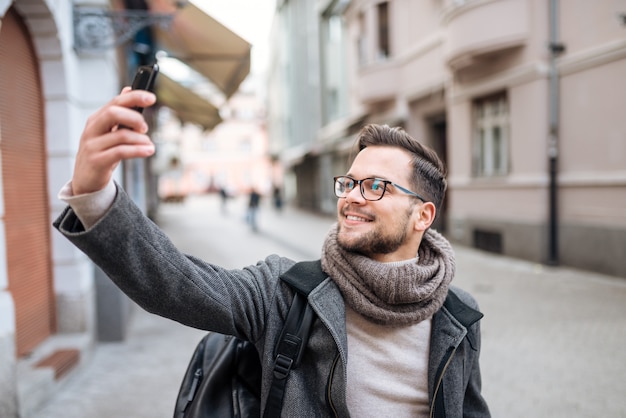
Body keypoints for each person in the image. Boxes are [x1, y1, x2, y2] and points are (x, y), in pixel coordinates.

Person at [53, 88, 490, 417]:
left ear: (422, 216)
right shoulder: (286, 292)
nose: (352, 197)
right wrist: (94, 196)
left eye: (375, 186)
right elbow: (178, 285)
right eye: (350, 183)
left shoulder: (458, 315)